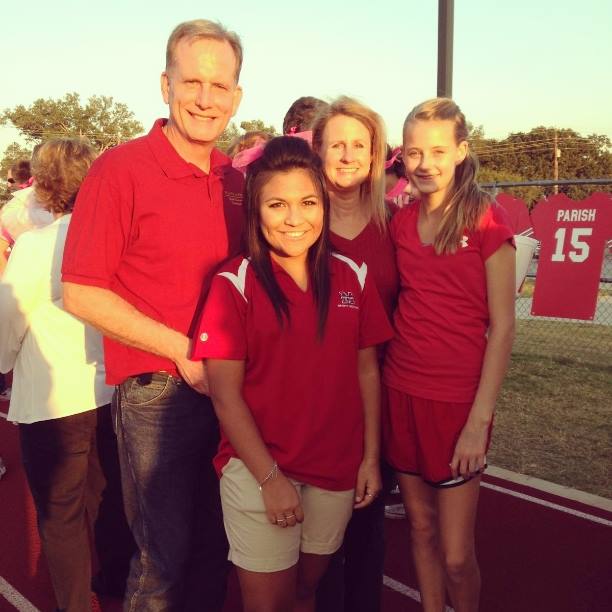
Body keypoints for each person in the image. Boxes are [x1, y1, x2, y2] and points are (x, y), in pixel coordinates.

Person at [61, 19, 245, 611]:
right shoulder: (120, 168)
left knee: (218, 554)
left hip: (232, 395)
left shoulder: (237, 181)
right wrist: (181, 350)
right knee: (162, 560)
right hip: (157, 396)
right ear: (165, 85)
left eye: (220, 87)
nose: (205, 98)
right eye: (192, 82)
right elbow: (83, 292)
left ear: (237, 97)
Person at [192, 136, 392, 612]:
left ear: (323, 205)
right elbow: (226, 397)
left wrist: (369, 459)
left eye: (307, 202)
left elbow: (367, 372)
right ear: (256, 212)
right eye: (277, 204)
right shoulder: (232, 283)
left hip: (335, 470)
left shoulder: (353, 276)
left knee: (306, 590)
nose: (295, 218)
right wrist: (271, 479)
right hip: (260, 469)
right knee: (268, 604)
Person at [383, 98, 515, 612]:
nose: (424, 163)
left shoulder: (486, 222)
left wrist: (478, 421)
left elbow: (502, 329)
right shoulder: (400, 222)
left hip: (458, 404)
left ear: (461, 151)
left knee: (458, 555)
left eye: (438, 150)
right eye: (414, 151)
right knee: (420, 527)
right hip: (401, 392)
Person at [0, 138, 133, 611]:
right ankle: (115, 580)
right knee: (108, 496)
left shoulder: (37, 246)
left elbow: (8, 319)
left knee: (60, 513)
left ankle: (75, 603)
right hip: (110, 388)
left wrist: (5, 361)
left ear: (45, 185)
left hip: (53, 399)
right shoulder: (113, 233)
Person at [311, 96, 398, 612]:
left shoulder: (395, 225)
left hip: (372, 403)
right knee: (313, 549)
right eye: (337, 143)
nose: (347, 155)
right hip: (309, 405)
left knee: (365, 535)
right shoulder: (297, 220)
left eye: (359, 145)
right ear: (318, 149)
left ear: (375, 155)